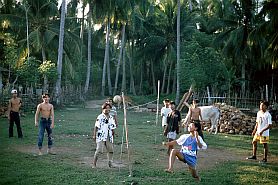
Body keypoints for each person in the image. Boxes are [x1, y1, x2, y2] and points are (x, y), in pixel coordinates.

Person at [92, 102, 117, 168]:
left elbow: (112, 127)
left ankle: (110, 163)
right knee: (99, 150)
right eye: (106, 108)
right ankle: (94, 164)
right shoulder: (100, 117)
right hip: (101, 136)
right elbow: (96, 127)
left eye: (109, 109)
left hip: (109, 136)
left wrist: (113, 133)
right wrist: (94, 135)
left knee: (111, 150)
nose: (107, 110)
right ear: (103, 109)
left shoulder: (111, 117)